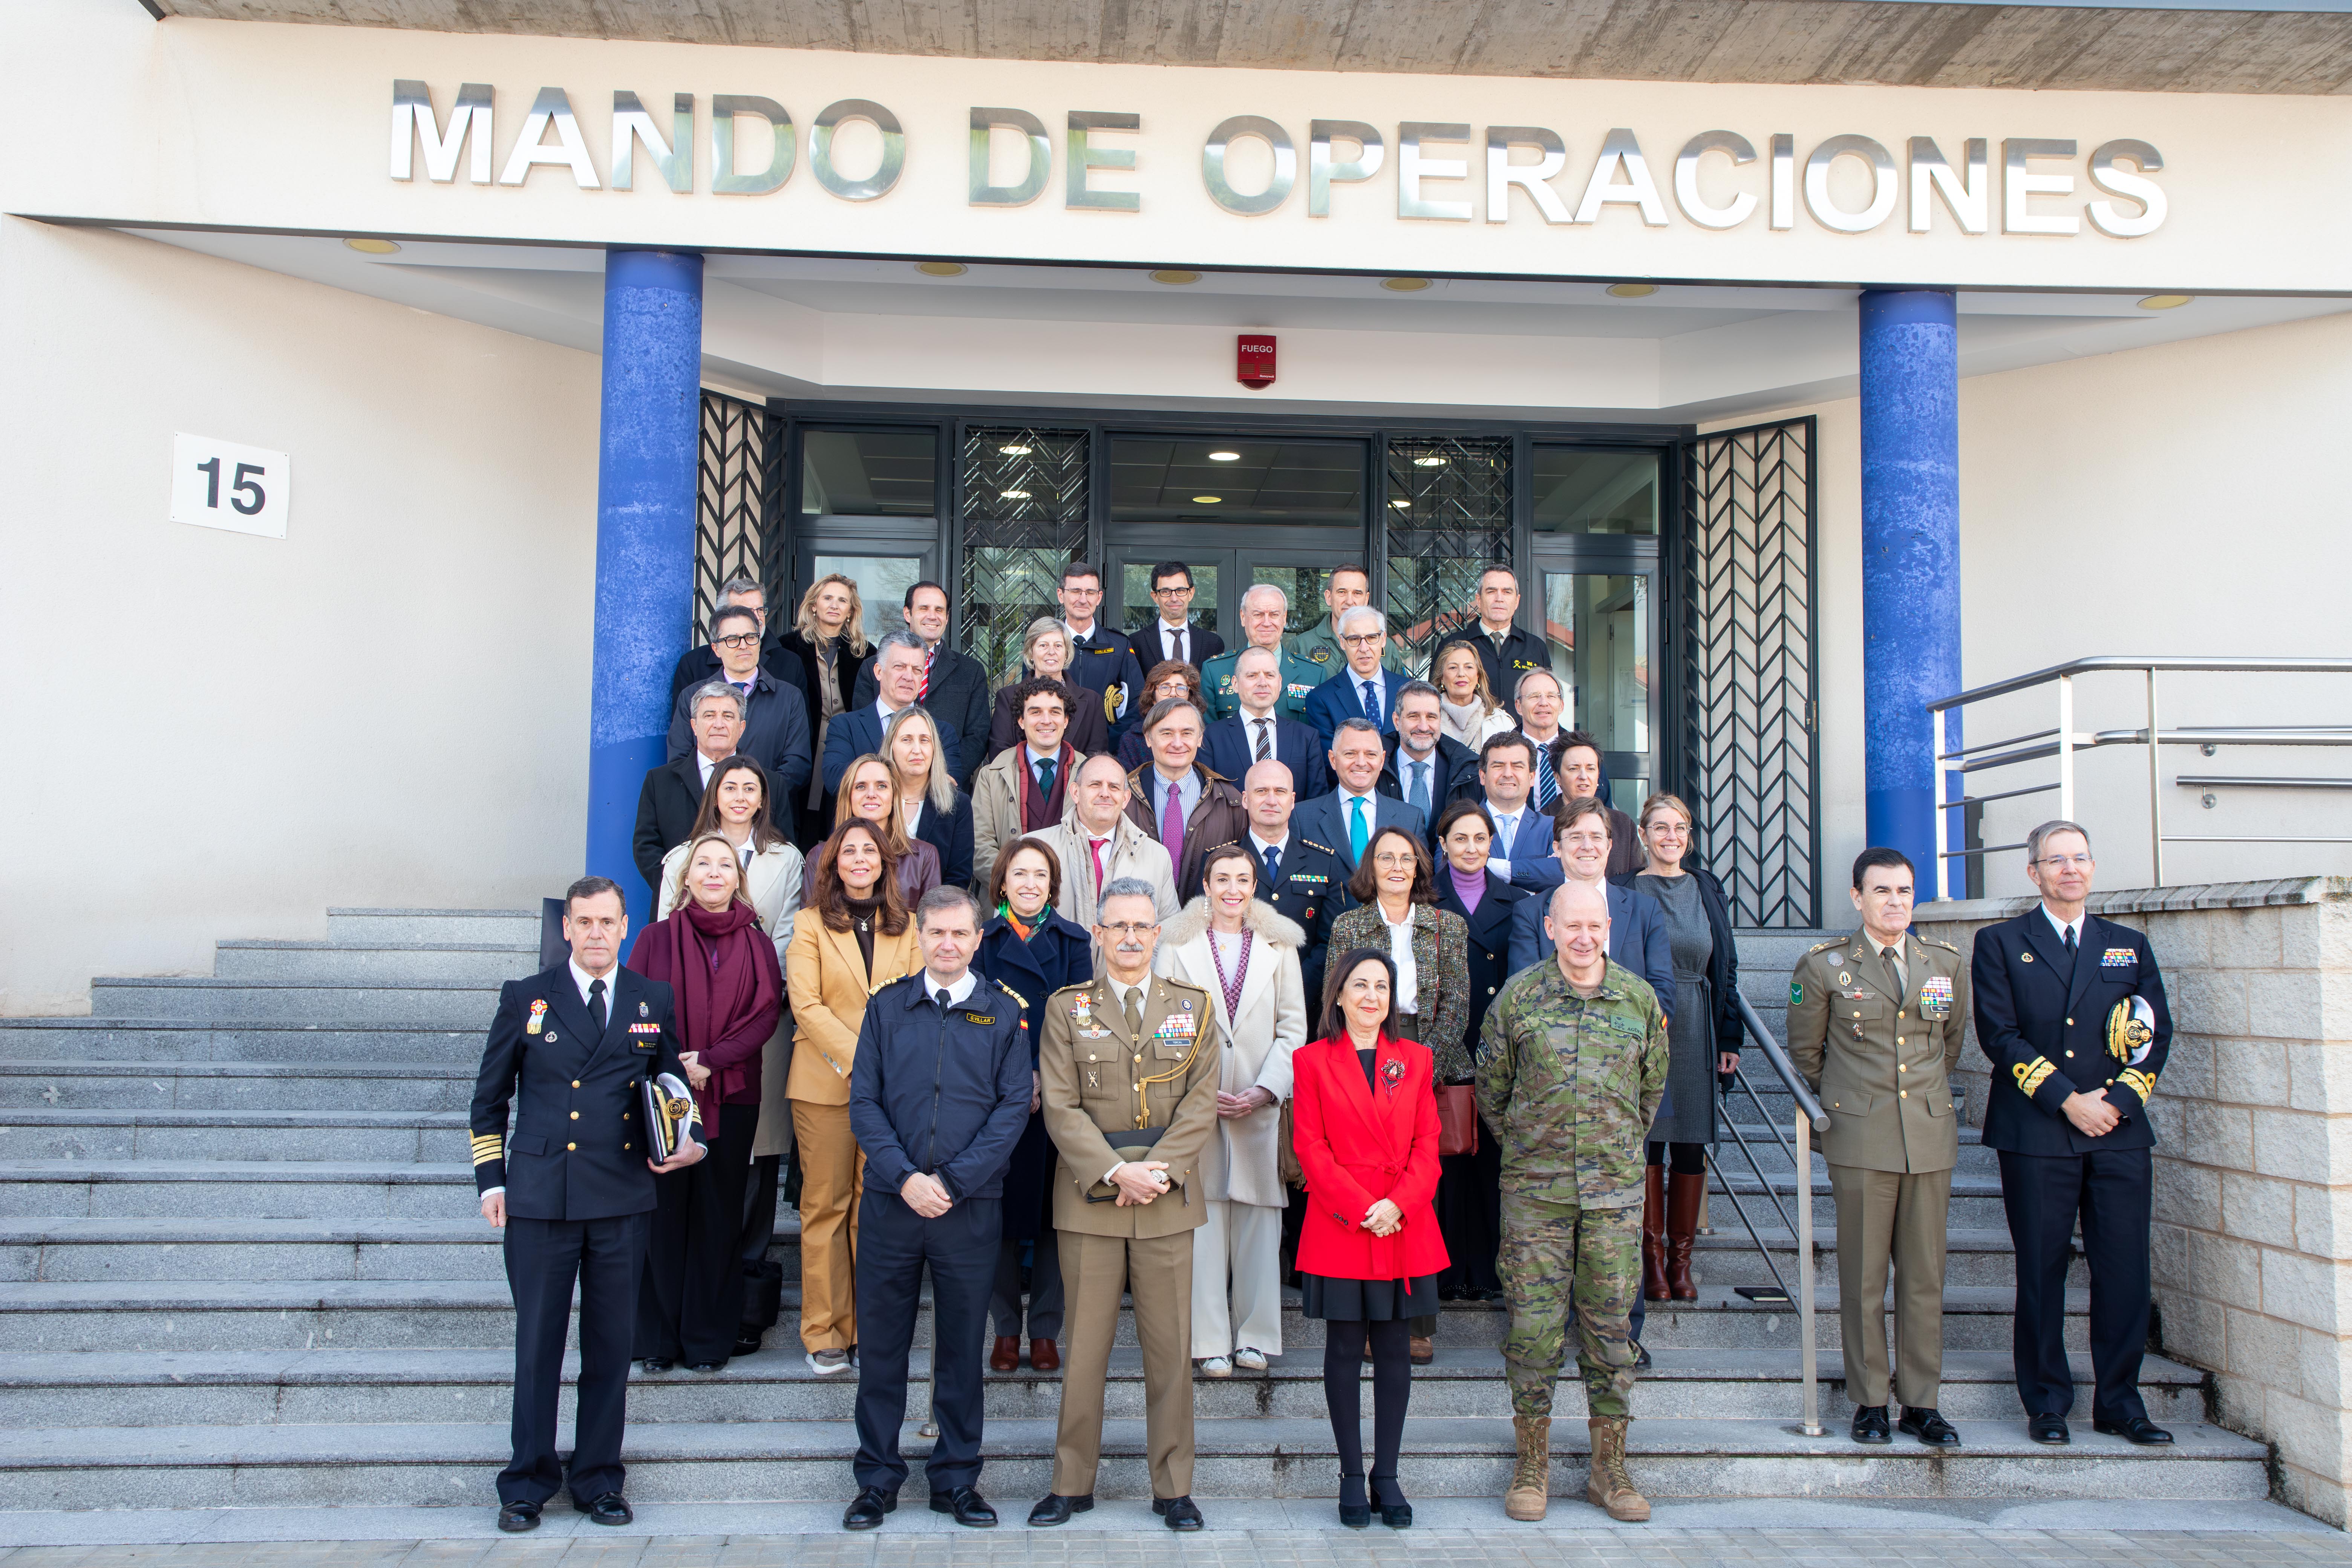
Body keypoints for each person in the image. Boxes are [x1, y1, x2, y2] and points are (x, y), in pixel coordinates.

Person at [471, 876, 704, 1534]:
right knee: (538, 1345)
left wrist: (693, 1142)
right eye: (585, 922)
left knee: (610, 1347)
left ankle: (599, 1479)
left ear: (625, 926)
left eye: (608, 921)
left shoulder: (649, 997)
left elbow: (671, 1086)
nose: (597, 933)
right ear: (566, 928)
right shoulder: (526, 998)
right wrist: (492, 1183)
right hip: (542, 1198)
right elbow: (489, 1101)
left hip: (622, 1195)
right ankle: (526, 1483)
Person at [1028, 880, 1223, 1532]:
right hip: (1091, 1202)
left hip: (1166, 1202)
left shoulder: (1192, 1009)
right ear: (1099, 935)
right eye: (1119, 927)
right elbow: (1059, 1105)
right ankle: (1070, 1483)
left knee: (1169, 1352)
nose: (1132, 938)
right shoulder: (1066, 1010)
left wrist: (1154, 1173)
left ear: (1158, 932)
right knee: (1083, 1350)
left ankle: (1173, 1488)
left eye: (1143, 926)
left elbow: (1201, 1105)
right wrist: (1117, 1172)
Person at [1972, 820, 2174, 1447]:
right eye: (2055, 860)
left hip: (2117, 1132)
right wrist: (2068, 1101)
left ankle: (2120, 1401)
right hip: (2037, 1130)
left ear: (2091, 868)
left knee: (2124, 1273)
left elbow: (2153, 1033)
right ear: (2033, 873)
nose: (2069, 869)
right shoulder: (2002, 942)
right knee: (2041, 1271)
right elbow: (2000, 1036)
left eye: (2079, 858)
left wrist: (2112, 1103)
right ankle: (2047, 1402)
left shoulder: (2129, 945)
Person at [842, 887, 1033, 1532]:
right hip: (893, 1207)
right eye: (937, 934)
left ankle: (955, 1479)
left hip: (968, 1209)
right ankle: (876, 1480)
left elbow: (1013, 1112)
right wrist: (904, 1178)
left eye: (960, 934)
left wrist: (950, 1181)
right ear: (919, 936)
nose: (948, 945)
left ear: (980, 939)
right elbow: (863, 1102)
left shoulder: (1003, 1015)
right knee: (884, 1350)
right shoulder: (888, 1007)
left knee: (960, 1350)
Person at [1477, 880, 1668, 1524]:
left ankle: (1608, 1469)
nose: (1584, 937)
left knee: (1611, 1332)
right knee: (1533, 1331)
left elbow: (1649, 1093)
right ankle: (1532, 1463)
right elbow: (1492, 1093)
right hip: (1536, 1195)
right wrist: (1537, 1149)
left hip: (1613, 1196)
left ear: (1608, 927)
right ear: (1551, 927)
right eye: (1572, 925)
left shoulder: (1639, 1001)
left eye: (1595, 926)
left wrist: (1607, 1151)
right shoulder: (1519, 999)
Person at [1787, 846, 1969, 1449]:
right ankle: (1870, 1400)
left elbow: (1949, 1045)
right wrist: (1845, 1108)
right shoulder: (1824, 967)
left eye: (1904, 892)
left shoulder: (1942, 962)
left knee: (1924, 1278)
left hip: (1928, 1135)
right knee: (1863, 1277)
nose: (1896, 903)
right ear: (1857, 897)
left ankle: (1922, 1401)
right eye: (1883, 891)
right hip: (1861, 1136)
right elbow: (1807, 1056)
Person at [652, 757, 806, 1356]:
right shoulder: (667, 896)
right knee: (672, 1205)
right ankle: (662, 1331)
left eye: (752, 788)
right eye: (730, 787)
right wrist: (678, 1060)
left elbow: (776, 975)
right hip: (676, 1066)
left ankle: (719, 1320)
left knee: (734, 1190)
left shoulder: (777, 878)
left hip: (742, 1056)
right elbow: (650, 980)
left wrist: (713, 1057)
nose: (740, 796)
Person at [1291, 948, 1447, 1530]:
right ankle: (1352, 1475)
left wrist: (1397, 1206)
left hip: (1402, 1222)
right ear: (1337, 995)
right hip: (1343, 1222)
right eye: (1360, 985)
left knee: (1394, 1353)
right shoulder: (1310, 1062)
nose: (1371, 997)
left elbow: (1427, 1147)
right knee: (1342, 1350)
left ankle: (1388, 1474)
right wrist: (1364, 1209)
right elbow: (1311, 1149)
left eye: (1382, 986)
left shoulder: (1416, 1059)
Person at [627, 833, 785, 1373]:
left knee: (719, 1217)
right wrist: (678, 1069)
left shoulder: (757, 942)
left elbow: (766, 1015)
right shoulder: (654, 938)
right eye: (703, 864)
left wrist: (712, 1061)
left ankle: (706, 1341)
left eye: (725, 865)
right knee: (664, 1216)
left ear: (738, 879)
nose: (714, 872)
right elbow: (640, 1009)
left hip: (733, 1092)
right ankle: (658, 1342)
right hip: (666, 1097)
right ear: (686, 878)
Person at [1154, 844, 1307, 1376]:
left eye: (1243, 879)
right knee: (1204, 1223)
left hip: (1258, 1107)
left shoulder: (1278, 945)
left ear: (1255, 886)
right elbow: (1164, 1027)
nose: (1233, 889)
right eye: (1223, 879)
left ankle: (1256, 1337)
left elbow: (1294, 1028)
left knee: (1261, 1226)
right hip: (1201, 1105)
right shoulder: (1177, 945)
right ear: (1206, 885)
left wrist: (1268, 1089)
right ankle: (1211, 1340)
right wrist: (1198, 1090)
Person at [1324, 825, 1470, 1363]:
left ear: (1419, 867)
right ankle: (1367, 1318)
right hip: (1363, 1051)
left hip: (1425, 1057)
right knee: (1364, 1181)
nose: (1396, 867)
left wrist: (1418, 1067)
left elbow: (1457, 1005)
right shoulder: (1349, 926)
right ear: (1371, 867)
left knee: (1418, 1190)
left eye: (1406, 858)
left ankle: (1416, 1323)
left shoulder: (1447, 927)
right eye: (1385, 858)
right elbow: (1334, 999)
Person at [785, 820, 922, 1375]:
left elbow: (917, 1000)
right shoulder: (810, 924)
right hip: (825, 1086)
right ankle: (825, 1331)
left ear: (886, 862)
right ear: (833, 863)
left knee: (878, 1210)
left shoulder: (908, 926)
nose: (860, 859)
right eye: (850, 851)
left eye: (871, 850)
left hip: (892, 1093)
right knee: (826, 1207)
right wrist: (864, 1061)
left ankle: (872, 1326)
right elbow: (807, 1004)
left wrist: (883, 1070)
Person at [1613, 793, 1741, 1308]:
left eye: (1680, 828)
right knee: (1647, 1144)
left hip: (1697, 1021)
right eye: (1660, 828)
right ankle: (1649, 1262)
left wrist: (1729, 1036)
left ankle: (1680, 1261)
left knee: (1689, 1145)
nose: (1671, 837)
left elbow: (1726, 964)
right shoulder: (1623, 889)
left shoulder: (1707, 887)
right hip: (1642, 1025)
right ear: (1642, 835)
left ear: (1689, 836)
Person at [972, 837, 1093, 1374]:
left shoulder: (1073, 941)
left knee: (1052, 1217)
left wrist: (1047, 1080)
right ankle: (1005, 1328)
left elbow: (1080, 1021)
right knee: (997, 1215)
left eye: (1039, 875)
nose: (1029, 883)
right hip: (996, 1097)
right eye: (1018, 874)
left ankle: (1045, 1329)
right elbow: (974, 1021)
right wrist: (1016, 1082)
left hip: (1056, 1095)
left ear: (1052, 884)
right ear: (1001, 883)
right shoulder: (982, 941)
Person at [1430, 799, 1528, 1303]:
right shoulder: (1426, 901)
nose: (1472, 848)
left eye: (1481, 839)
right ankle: (1446, 1272)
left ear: (1493, 845)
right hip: (1444, 1048)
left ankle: (1488, 1273)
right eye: (1461, 839)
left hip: (1496, 1049)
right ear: (1443, 845)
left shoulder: (1520, 902)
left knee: (1492, 1162)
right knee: (1446, 1164)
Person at [664, 612, 814, 810]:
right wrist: (718, 803)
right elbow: (680, 761)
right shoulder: (693, 696)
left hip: (767, 818)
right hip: (703, 816)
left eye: (751, 637)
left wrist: (754, 800)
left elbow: (798, 765)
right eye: (732, 639)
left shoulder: (790, 697)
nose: (744, 645)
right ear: (716, 649)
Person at [849, 581, 992, 785]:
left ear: (947, 617)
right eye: (924, 608)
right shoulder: (874, 666)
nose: (932, 616)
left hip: (946, 788)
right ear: (908, 614)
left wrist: (940, 777)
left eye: (939, 610)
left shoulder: (971, 671)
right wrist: (886, 779)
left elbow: (977, 737)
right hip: (883, 787)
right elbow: (865, 727)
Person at [1239, 758, 1348, 1011]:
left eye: (1280, 791)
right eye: (1261, 791)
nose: (1271, 800)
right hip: (1240, 1000)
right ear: (1246, 799)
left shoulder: (1324, 863)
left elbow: (1332, 940)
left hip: (1307, 1001)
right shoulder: (1221, 862)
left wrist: (1297, 988)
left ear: (1292, 799)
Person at [1122, 697, 1248, 900]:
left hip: (1204, 923)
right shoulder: (1122, 797)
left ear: (1200, 739)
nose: (1178, 743)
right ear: (1148, 738)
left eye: (1187, 733)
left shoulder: (1229, 800)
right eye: (1167, 734)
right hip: (1138, 923)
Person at [1035, 752, 1179, 928]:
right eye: (1095, 785)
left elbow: (1169, 932)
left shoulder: (1157, 856)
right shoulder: (1036, 849)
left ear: (1125, 798)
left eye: (1114, 787)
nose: (1105, 793)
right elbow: (1012, 925)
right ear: (1075, 793)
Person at [777, 572, 870, 845]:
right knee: (798, 829)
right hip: (800, 746)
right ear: (814, 605)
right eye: (828, 598)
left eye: (843, 600)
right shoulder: (786, 648)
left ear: (851, 611)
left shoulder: (866, 653)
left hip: (848, 752)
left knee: (842, 828)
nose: (835, 605)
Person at [972, 677, 1082, 896]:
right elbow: (979, 846)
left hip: (1071, 900)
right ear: (1021, 721)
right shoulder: (992, 776)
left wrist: (1058, 889)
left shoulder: (1090, 775)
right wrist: (1016, 887)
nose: (1046, 720)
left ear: (1066, 720)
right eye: (1035, 712)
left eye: (1055, 712)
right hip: (1006, 903)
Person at [632, 683, 746, 893]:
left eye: (728, 716)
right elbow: (646, 847)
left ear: (742, 727)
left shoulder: (769, 784)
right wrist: (683, 889)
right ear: (694, 726)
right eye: (709, 716)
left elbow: (777, 849)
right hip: (678, 904)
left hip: (749, 906)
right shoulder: (659, 781)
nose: (719, 724)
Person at [824, 631, 964, 795]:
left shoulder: (942, 733)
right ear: (878, 672)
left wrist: (866, 779)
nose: (908, 677)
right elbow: (835, 780)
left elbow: (950, 788)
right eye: (900, 667)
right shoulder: (845, 726)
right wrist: (919, 779)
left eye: (917, 670)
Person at [1294, 718, 1426, 875]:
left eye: (1371, 754)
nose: (1361, 763)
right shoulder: (1300, 817)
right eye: (1351, 754)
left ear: (1382, 760)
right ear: (1333, 760)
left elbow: (1421, 881)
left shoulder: (1411, 819)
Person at [668, 573, 815, 708]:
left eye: (759, 610)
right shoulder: (693, 664)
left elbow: (800, 728)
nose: (756, 618)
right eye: (745, 612)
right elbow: (684, 727)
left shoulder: (790, 662)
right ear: (723, 615)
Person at [1203, 646, 1328, 800]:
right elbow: (1206, 799)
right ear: (1235, 684)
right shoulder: (1211, 737)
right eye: (1252, 676)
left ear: (1280, 682)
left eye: (1270, 675)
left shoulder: (1307, 738)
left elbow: (1317, 802)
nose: (1263, 683)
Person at [826, 755, 941, 906]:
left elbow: (931, 923)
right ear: (849, 796)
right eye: (861, 786)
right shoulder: (821, 855)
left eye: (882, 786)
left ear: (894, 796)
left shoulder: (925, 856)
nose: (871, 794)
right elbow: (811, 922)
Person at [987, 617, 1109, 758]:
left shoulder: (1093, 701)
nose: (1052, 652)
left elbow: (1096, 755)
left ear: (1067, 654)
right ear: (1031, 653)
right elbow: (1000, 751)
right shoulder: (1007, 697)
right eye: (1043, 645)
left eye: (1058, 646)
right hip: (1020, 779)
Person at [1202, 582, 1321, 723]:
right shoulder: (1215, 671)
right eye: (1258, 615)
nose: (1266, 623)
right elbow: (1209, 735)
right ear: (1243, 617)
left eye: (1274, 615)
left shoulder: (1314, 674)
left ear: (1284, 618)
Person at [1054, 562, 1145, 746]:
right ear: (1061, 595)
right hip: (1052, 749)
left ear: (1099, 597)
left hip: (1105, 751)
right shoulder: (1043, 645)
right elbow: (1027, 695)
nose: (1083, 599)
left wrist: (1107, 740)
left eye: (1090, 593)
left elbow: (1138, 702)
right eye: (1076, 591)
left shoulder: (1119, 646)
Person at [885, 706, 975, 890]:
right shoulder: (872, 797)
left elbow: (958, 878)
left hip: (933, 912)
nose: (917, 750)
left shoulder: (958, 804)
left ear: (935, 748)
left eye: (925, 740)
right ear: (891, 746)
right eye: (907, 740)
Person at [1303, 606, 1412, 745]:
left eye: (1372, 638)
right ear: (1342, 642)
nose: (1364, 648)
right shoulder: (1322, 699)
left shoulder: (1409, 690)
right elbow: (1330, 760)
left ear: (1384, 639)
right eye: (1354, 639)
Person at [1383, 680, 1479, 833]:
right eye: (1414, 716)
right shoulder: (1375, 769)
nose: (1423, 727)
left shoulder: (1467, 771)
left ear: (1440, 720)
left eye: (1431, 717)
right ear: (1397, 721)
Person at [1455, 567, 1548, 722]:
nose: (1499, 598)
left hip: (1523, 743)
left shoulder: (1536, 647)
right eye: (1491, 591)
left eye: (1507, 592)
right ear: (1479, 600)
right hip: (1468, 742)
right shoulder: (1454, 646)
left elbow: (1549, 699)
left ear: (1517, 601)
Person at [1551, 730, 1643, 877]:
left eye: (1590, 769)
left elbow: (1636, 879)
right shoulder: (1541, 823)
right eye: (1574, 769)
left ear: (1599, 775)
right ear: (1558, 777)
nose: (1583, 776)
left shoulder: (1623, 824)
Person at [1288, 563, 1401, 677]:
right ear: (1328, 597)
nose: (1349, 601)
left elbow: (1400, 691)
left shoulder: (1386, 646)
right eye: (1342, 592)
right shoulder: (1302, 645)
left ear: (1366, 599)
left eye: (1357, 593)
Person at [1471, 732, 1553, 882]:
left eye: (1517, 766)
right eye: (1498, 766)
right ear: (1483, 776)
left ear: (1531, 778)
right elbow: (1448, 871)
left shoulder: (1551, 828)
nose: (1508, 774)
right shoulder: (1460, 825)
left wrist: (1495, 868)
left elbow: (1559, 873)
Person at [1116, 660, 1208, 773]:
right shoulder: (1132, 739)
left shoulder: (1207, 737)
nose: (1173, 694)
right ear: (1153, 698)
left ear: (1190, 696)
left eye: (1181, 688)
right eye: (1165, 687)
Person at [1132, 560, 1224, 671]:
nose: (1174, 599)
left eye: (1180, 590)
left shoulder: (1213, 643)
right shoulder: (1136, 642)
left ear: (1191, 594)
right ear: (1155, 596)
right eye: (1166, 592)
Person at [1433, 640, 1515, 752]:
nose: (1461, 674)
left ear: (1478, 676)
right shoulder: (1427, 720)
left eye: (1469, 667)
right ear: (1442, 677)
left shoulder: (1501, 722)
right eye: (1453, 668)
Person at [1513, 671, 1573, 810]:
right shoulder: (1502, 753)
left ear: (1562, 705)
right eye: (1534, 696)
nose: (1544, 703)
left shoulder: (1583, 752)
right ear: (1519, 706)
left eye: (1551, 696)